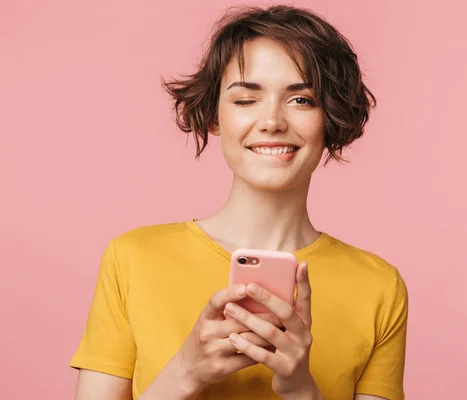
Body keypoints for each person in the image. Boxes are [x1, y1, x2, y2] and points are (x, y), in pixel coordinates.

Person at [71, 5, 408, 400]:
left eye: (301, 100)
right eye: (246, 100)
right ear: (214, 116)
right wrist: (185, 372)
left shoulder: (378, 287)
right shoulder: (131, 259)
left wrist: (300, 388)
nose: (272, 121)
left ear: (331, 118)